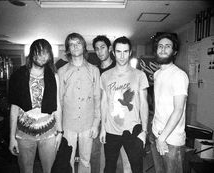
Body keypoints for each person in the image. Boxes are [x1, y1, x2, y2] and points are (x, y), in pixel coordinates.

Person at [8, 39, 63, 173]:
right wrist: (11, 138)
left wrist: (60, 132)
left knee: (49, 170)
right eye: (38, 52)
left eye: (45, 53)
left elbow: (57, 105)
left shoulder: (53, 76)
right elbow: (14, 108)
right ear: (32, 53)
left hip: (48, 133)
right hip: (24, 134)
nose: (42, 56)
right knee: (26, 170)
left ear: (50, 55)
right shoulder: (19, 75)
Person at [100, 36, 149, 173]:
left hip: (133, 130)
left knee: (136, 168)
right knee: (109, 167)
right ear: (113, 53)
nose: (122, 56)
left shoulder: (139, 75)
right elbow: (104, 103)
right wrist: (103, 128)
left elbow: (144, 103)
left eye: (125, 51)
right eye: (119, 52)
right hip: (111, 130)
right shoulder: (105, 76)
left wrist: (144, 131)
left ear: (130, 52)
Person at [58, 32, 101, 173]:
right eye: (71, 44)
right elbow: (59, 101)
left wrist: (96, 123)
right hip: (68, 124)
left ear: (84, 47)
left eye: (78, 43)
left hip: (87, 125)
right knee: (67, 160)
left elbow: (97, 98)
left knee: (85, 160)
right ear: (68, 49)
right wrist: (59, 128)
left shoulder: (94, 70)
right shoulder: (62, 72)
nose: (75, 46)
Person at [149, 33, 189, 173]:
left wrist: (162, 138)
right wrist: (155, 132)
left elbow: (178, 110)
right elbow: (159, 104)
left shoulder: (179, 75)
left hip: (171, 139)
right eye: (160, 46)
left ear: (174, 51)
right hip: (156, 133)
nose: (163, 49)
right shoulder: (157, 74)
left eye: (168, 46)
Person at [92, 35, 131, 173]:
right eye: (96, 49)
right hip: (100, 120)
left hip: (120, 120)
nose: (100, 51)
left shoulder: (120, 67)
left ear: (109, 49)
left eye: (102, 47)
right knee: (101, 158)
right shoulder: (95, 71)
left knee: (125, 159)